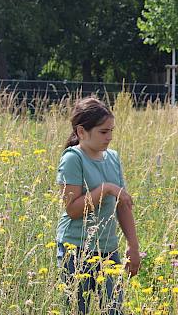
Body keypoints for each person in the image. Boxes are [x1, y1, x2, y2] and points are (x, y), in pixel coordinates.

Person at [56, 97, 140, 315]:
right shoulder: (73, 158)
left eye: (111, 130)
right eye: (103, 132)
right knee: (76, 309)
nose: (110, 137)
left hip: (108, 250)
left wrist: (133, 245)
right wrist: (105, 189)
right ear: (82, 131)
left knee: (114, 309)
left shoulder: (113, 158)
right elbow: (72, 210)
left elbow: (123, 205)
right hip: (75, 251)